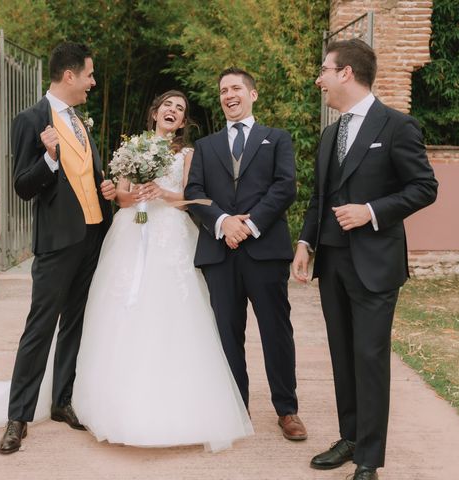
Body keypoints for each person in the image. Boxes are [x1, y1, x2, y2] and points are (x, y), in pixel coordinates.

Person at [72, 90, 253, 451]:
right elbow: (122, 196)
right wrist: (128, 193)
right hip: (131, 231)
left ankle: (178, 405)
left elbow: (190, 199)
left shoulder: (187, 153)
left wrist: (161, 193)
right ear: (155, 112)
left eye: (180, 109)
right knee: (123, 311)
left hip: (171, 235)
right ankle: (116, 403)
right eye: (168, 106)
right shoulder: (132, 147)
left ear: (183, 122)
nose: (173, 111)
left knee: (173, 313)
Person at [292, 39, 438, 480]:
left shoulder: (396, 126)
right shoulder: (330, 132)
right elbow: (320, 196)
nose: (319, 79)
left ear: (346, 73)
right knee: (342, 355)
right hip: (332, 262)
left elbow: (424, 188)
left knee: (369, 356)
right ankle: (350, 437)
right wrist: (304, 243)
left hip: (375, 264)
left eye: (324, 70)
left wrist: (371, 212)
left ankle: (369, 458)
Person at [0, 42, 116, 454]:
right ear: (69, 76)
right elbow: (22, 186)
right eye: (89, 74)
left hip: (92, 236)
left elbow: (86, 172)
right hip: (56, 242)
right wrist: (48, 158)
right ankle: (18, 417)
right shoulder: (30, 119)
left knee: (75, 324)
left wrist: (106, 190)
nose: (92, 82)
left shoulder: (79, 120)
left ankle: (62, 400)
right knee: (40, 327)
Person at [185, 67, 307, 441]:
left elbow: (285, 187)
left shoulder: (277, 139)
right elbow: (194, 192)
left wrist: (249, 225)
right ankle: (236, 408)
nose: (229, 95)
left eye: (236, 88)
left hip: (264, 250)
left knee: (276, 331)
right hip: (220, 253)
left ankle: (287, 410)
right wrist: (223, 222)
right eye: (223, 90)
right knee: (227, 334)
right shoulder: (206, 146)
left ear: (253, 94)